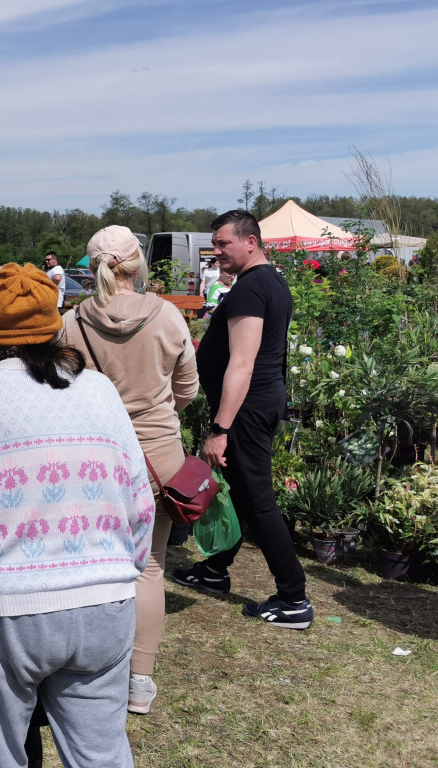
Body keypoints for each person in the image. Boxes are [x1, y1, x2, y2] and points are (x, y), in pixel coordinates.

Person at [0, 263, 155, 768]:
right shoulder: (101, 390)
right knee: (101, 753)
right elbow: (139, 502)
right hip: (104, 604)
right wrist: (125, 564)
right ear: (55, 323)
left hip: (7, 611)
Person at [61, 225, 198, 714]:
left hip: (96, 456)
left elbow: (64, 392)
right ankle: (139, 680)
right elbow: (188, 391)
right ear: (137, 265)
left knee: (87, 561)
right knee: (150, 566)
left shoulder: (72, 322)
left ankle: (84, 665)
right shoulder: (167, 316)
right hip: (158, 456)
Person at [172, 210, 313, 629]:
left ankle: (294, 599)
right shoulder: (270, 281)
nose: (216, 253)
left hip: (247, 409)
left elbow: (242, 364)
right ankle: (215, 571)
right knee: (245, 494)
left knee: (259, 499)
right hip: (257, 404)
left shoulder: (252, 289)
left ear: (250, 242)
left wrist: (221, 429)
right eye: (214, 245)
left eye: (222, 244)